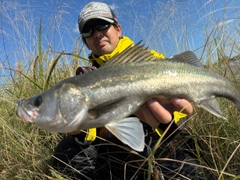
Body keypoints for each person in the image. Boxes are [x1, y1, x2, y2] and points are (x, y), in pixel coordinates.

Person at [52, 2, 207, 180]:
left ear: (118, 28)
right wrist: (79, 131)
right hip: (113, 152)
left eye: (102, 24)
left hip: (158, 146)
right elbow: (92, 129)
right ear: (85, 42)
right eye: (88, 31)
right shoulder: (83, 78)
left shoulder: (152, 61)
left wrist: (170, 124)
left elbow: (180, 105)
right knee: (64, 154)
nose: (97, 34)